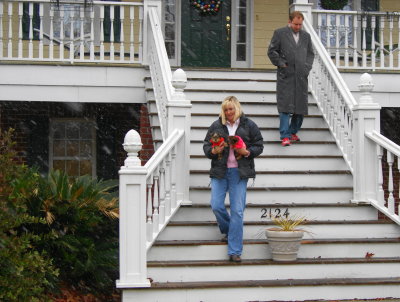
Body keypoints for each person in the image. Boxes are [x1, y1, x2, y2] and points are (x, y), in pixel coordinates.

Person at [203, 96, 264, 262]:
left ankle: (235, 250)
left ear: (237, 108)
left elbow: (259, 145)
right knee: (216, 205)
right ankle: (230, 231)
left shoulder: (249, 125)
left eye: (231, 109)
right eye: (225, 109)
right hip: (220, 171)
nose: (228, 112)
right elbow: (206, 146)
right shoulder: (216, 126)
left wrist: (247, 152)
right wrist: (214, 151)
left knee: (237, 210)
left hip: (239, 172)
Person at [267, 11, 315, 147]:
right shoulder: (280, 33)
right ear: (289, 21)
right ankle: (285, 135)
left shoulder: (306, 36)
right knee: (285, 107)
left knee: (300, 107)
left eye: (300, 24)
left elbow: (311, 54)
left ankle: (293, 131)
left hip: (301, 77)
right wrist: (281, 64)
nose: (298, 27)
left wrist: (306, 68)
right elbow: (271, 51)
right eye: (296, 24)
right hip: (285, 76)